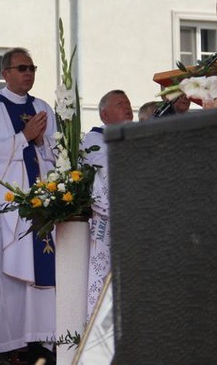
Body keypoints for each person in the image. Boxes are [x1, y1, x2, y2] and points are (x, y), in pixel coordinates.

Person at [0, 47, 56, 364]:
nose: (29, 73)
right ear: (5, 73)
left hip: (42, 212)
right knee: (7, 289)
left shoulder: (43, 107)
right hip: (7, 214)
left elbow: (56, 155)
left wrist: (41, 141)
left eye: (32, 67)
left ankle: (42, 347)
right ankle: (3, 351)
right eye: (22, 68)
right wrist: (23, 137)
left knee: (41, 287)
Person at [81, 90, 133, 319]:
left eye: (128, 102)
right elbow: (106, 169)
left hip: (135, 221)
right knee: (104, 282)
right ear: (104, 113)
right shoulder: (93, 139)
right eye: (121, 103)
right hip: (106, 223)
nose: (127, 106)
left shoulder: (136, 135)